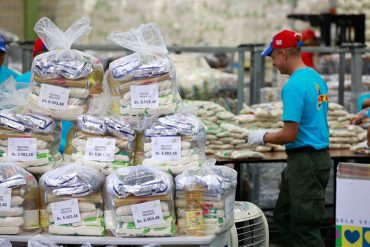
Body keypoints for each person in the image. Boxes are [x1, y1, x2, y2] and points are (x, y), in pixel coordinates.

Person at [248, 29, 331, 247]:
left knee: (305, 228)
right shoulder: (315, 78)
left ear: (284, 54)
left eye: (273, 57)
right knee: (284, 215)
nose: (273, 63)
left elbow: (289, 134)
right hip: (313, 160)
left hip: (306, 163)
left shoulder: (293, 86)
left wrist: (263, 136)